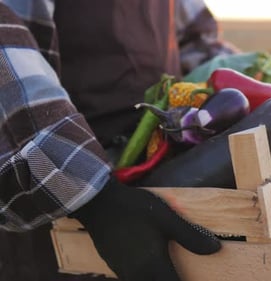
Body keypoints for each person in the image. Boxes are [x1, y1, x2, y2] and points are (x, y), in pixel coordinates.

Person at [0, 1, 238, 280]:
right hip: (65, 208)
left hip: (157, 171)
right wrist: (96, 204)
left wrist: (260, 88)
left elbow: (196, 39)